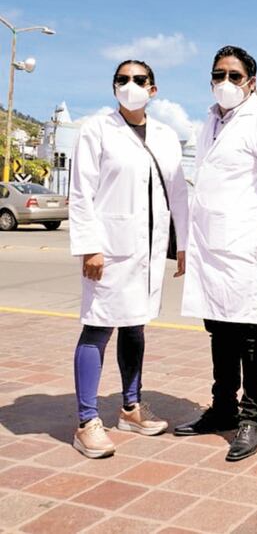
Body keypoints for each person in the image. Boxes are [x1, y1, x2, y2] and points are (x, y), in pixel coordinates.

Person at [175, 46, 257, 462]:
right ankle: (223, 406)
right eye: (218, 74)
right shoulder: (209, 120)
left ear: (251, 83)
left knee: (247, 331)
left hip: (246, 242)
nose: (225, 82)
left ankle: (251, 415)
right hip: (210, 244)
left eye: (234, 75)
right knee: (218, 328)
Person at [69, 60, 189, 458]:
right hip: (108, 248)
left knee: (135, 325)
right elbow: (81, 192)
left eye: (139, 79)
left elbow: (178, 193)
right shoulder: (96, 129)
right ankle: (86, 422)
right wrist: (90, 246)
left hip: (148, 250)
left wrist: (183, 245)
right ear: (114, 87)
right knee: (98, 326)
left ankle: (130, 408)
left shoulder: (166, 136)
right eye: (122, 79)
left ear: (153, 89)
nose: (130, 85)